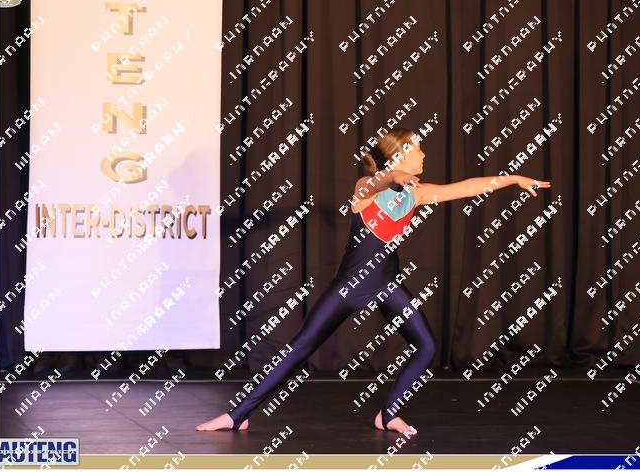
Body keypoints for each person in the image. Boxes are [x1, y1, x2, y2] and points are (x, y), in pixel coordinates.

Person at [196, 127, 551, 435]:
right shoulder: (365, 188)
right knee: (299, 349)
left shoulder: (416, 193)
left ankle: (389, 414)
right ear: (401, 155)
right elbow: (376, 182)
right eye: (419, 148)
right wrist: (393, 176)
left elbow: (466, 188)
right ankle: (237, 415)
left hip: (387, 285)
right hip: (350, 287)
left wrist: (512, 179)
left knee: (427, 346)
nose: (425, 154)